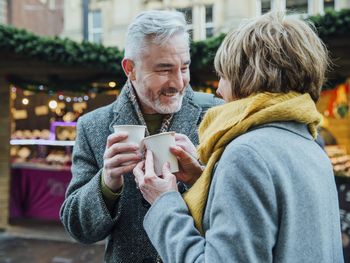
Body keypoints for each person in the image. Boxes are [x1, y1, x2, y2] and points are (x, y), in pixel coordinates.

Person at [134, 11, 344, 262]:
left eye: (223, 75)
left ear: (247, 77)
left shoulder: (247, 153)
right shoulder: (309, 146)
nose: (219, 90)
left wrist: (164, 203)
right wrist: (202, 179)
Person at [60, 10, 222, 263]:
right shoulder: (93, 125)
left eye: (185, 67)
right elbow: (78, 229)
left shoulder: (215, 114)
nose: (178, 82)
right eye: (164, 69)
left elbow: (237, 214)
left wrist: (198, 179)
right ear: (130, 69)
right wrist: (107, 182)